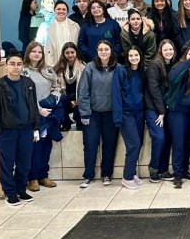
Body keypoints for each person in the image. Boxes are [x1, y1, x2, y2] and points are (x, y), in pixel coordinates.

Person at [0, 52, 40, 205]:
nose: (16, 67)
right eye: (12, 64)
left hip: (26, 130)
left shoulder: (28, 83)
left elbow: (34, 106)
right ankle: (10, 193)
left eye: (19, 64)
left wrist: (36, 127)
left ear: (22, 66)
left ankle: (21, 190)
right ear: (6, 66)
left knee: (24, 164)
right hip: (7, 131)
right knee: (7, 165)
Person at [77, 40, 120, 187]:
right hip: (92, 114)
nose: (103, 52)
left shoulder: (118, 68)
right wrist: (84, 113)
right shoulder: (90, 67)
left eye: (106, 49)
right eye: (100, 49)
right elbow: (83, 92)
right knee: (90, 145)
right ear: (97, 51)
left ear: (111, 50)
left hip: (111, 114)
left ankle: (106, 174)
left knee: (109, 145)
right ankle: (88, 175)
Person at [22, 42, 62, 192]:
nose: (37, 54)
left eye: (39, 52)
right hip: (32, 115)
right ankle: (32, 178)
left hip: (48, 114)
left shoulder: (48, 70)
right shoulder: (23, 71)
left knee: (46, 146)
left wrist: (52, 101)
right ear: (28, 53)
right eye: (34, 51)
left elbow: (57, 86)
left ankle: (43, 176)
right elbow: (24, 95)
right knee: (35, 148)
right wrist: (39, 110)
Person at [165, 46, 190, 188]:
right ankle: (177, 174)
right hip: (177, 112)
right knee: (178, 143)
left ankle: (184, 170)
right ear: (185, 55)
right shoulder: (178, 67)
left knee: (187, 143)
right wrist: (187, 62)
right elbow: (173, 79)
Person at [112, 46, 146, 190]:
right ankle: (127, 178)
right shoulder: (120, 71)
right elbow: (116, 94)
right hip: (126, 113)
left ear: (140, 56)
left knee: (139, 143)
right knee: (133, 145)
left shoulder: (142, 71)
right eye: (131, 55)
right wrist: (118, 117)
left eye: (136, 55)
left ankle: (132, 173)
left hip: (139, 112)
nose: (134, 58)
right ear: (127, 57)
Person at [144, 39, 176, 182]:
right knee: (159, 137)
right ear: (160, 51)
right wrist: (162, 112)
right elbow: (154, 90)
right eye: (166, 49)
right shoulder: (155, 65)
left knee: (167, 139)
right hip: (153, 108)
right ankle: (154, 168)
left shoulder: (171, 65)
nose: (168, 52)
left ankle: (163, 170)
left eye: (171, 49)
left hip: (165, 108)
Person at [54, 42, 85, 131]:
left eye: (72, 52)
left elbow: (86, 87)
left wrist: (77, 101)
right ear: (63, 54)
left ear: (76, 53)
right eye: (67, 53)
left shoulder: (83, 67)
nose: (70, 55)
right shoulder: (58, 68)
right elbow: (55, 86)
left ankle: (79, 122)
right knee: (60, 99)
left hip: (79, 98)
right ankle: (66, 123)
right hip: (66, 97)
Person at [44, 0, 80, 67]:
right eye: (58, 9)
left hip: (72, 61)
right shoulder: (47, 26)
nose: (61, 11)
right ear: (54, 11)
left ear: (67, 12)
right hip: (54, 62)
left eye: (64, 9)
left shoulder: (75, 26)